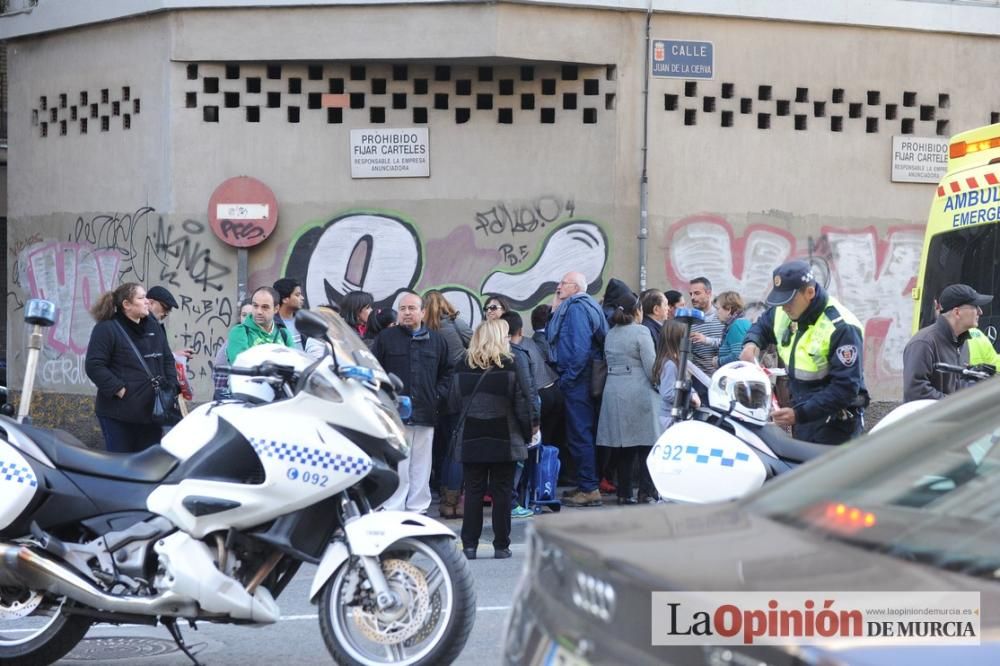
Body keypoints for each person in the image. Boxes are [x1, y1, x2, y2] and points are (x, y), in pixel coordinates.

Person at [740, 260, 867, 445]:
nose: (783, 307)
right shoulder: (785, 311)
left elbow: (845, 388)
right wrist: (751, 344)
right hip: (802, 414)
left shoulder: (841, 327)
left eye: (788, 301)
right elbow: (763, 325)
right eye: (780, 301)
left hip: (835, 423)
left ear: (810, 293)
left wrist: (799, 414)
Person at [449, 319, 536, 560]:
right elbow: (523, 404)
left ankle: (469, 546)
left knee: (473, 492)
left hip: (471, 436)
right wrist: (528, 434)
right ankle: (501, 545)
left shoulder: (461, 365)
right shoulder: (511, 364)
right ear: (500, 338)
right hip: (505, 436)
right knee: (502, 493)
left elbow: (454, 402)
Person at [372, 292, 451, 513]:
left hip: (426, 411)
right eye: (403, 308)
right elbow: (374, 370)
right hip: (395, 413)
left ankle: (419, 507)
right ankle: (394, 506)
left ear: (423, 312)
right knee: (399, 463)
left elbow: (448, 373)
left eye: (411, 308)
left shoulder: (437, 341)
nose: (406, 313)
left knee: (422, 464)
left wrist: (437, 396)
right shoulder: (386, 338)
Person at [84, 283, 178, 453]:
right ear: (126, 304)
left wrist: (171, 387)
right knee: (121, 465)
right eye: (141, 298)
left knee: (147, 464)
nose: (147, 302)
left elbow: (167, 359)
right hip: (119, 414)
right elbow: (94, 365)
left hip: (152, 413)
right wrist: (120, 389)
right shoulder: (106, 329)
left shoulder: (153, 326)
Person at [546, 271, 608, 507]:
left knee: (579, 433)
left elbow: (579, 348)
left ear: (576, 287)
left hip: (577, 381)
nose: (558, 286)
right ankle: (586, 484)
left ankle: (589, 488)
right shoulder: (583, 306)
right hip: (583, 379)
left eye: (563, 283)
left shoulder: (576, 309)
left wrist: (568, 379)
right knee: (582, 433)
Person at [595, 292, 661, 505]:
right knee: (646, 445)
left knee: (623, 446)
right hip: (639, 391)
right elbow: (651, 366)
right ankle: (645, 492)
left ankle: (624, 493)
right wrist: (659, 385)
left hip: (613, 391)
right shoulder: (641, 332)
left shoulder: (611, 333)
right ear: (637, 311)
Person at [424, 289, 473, 519]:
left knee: (440, 445)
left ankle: (443, 495)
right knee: (456, 444)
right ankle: (453, 497)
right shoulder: (456, 323)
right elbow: (476, 345)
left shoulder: (424, 330)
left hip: (435, 391)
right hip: (460, 388)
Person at [903, 284, 993, 401]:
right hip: (927, 419)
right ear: (957, 312)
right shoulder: (923, 343)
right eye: (975, 306)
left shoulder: (963, 342)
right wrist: (954, 405)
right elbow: (916, 391)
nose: (980, 312)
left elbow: (958, 385)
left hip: (951, 418)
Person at [502, 311, 544, 519]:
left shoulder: (493, 353)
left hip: (498, 418)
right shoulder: (519, 355)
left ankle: (506, 500)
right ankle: (510, 502)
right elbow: (529, 391)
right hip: (517, 420)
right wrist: (534, 420)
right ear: (520, 330)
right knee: (518, 460)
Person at [227, 286, 295, 363]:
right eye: (255, 306)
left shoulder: (284, 333)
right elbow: (241, 364)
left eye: (265, 307)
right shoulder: (240, 332)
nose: (259, 311)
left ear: (276, 309)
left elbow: (294, 363)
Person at [654, 319, 697, 432]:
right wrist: (691, 397)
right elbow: (668, 393)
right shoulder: (670, 364)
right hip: (670, 418)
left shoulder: (673, 362)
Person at [212, 300, 253, 400]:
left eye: (251, 315)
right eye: (244, 315)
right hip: (228, 385)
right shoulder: (236, 336)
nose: (247, 319)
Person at [688, 277, 723, 378]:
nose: (692, 298)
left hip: (721, 379)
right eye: (691, 294)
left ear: (708, 293)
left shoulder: (723, 317)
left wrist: (706, 340)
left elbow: (730, 345)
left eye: (697, 293)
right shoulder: (689, 321)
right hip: (698, 380)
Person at [146, 285, 194, 360]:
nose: (166, 313)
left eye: (169, 311)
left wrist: (174, 355)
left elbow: (157, 358)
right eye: (165, 308)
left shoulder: (157, 328)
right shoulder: (139, 326)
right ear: (151, 303)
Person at [716, 290, 752, 366]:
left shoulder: (737, 325)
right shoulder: (739, 323)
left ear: (728, 309)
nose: (717, 313)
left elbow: (738, 356)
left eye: (718, 309)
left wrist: (718, 362)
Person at [273, 277, 305, 348]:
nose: (302, 298)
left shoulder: (303, 321)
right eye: (297, 295)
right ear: (285, 299)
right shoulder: (271, 324)